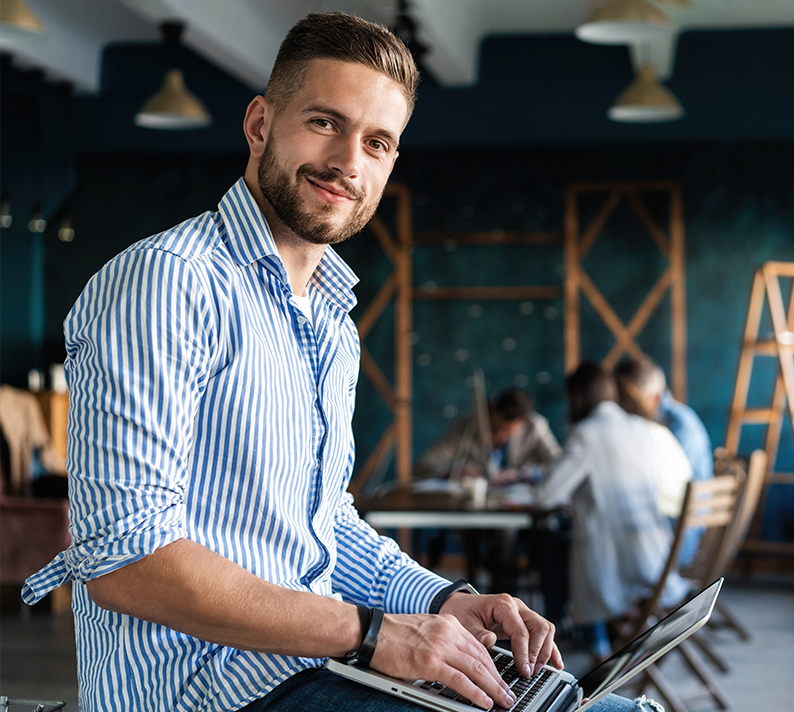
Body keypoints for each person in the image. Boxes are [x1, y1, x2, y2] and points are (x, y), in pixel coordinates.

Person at [22, 14, 659, 712]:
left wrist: (445, 600)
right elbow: (127, 563)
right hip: (205, 693)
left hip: (313, 666)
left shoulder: (330, 316)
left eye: (378, 142)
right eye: (326, 122)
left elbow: (321, 525)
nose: (349, 163)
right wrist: (372, 634)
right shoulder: (166, 282)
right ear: (260, 124)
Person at [534, 362, 689, 661]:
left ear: (576, 397)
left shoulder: (586, 434)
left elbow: (545, 496)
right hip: (655, 555)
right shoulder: (642, 427)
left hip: (618, 565)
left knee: (553, 544)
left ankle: (592, 646)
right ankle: (592, 639)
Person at [615, 356, 713, 563]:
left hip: (681, 533)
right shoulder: (670, 421)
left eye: (625, 400)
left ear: (655, 398)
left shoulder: (676, 426)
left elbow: (663, 487)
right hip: (678, 524)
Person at [414, 388, 561, 482]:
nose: (500, 437)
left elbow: (559, 464)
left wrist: (520, 474)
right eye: (495, 428)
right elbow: (423, 465)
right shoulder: (467, 427)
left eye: (508, 433)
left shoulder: (535, 427)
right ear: (490, 413)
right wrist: (452, 473)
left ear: (524, 423)